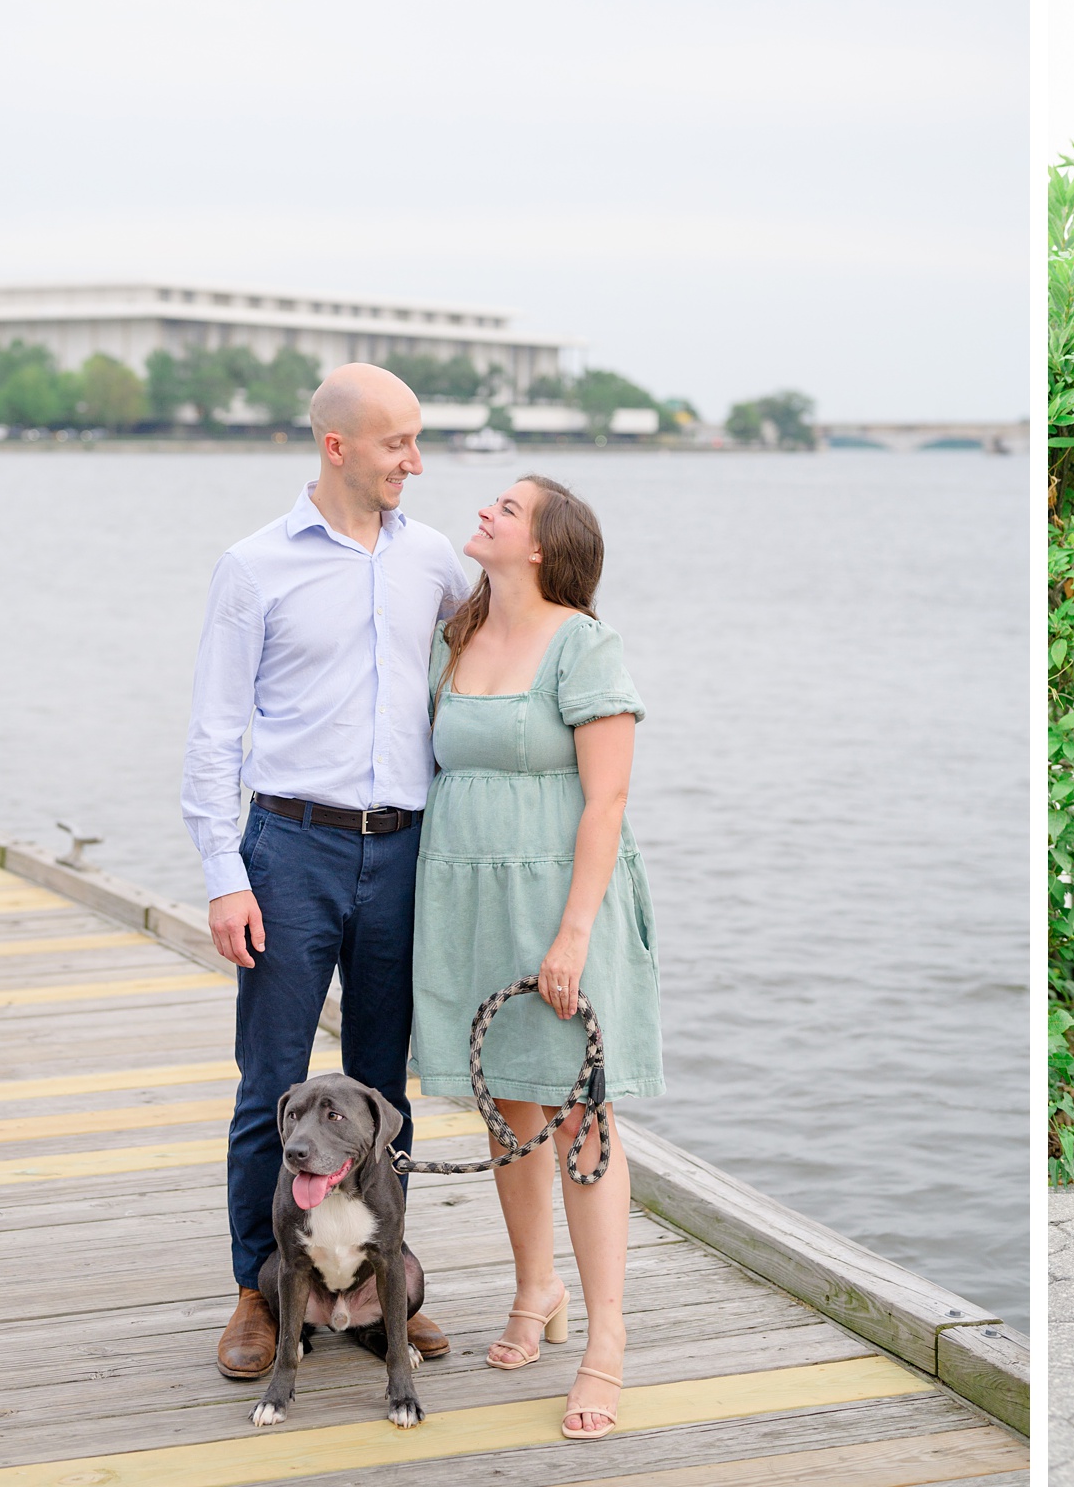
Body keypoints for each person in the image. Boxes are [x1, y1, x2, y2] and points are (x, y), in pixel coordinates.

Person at [183, 363, 466, 1380]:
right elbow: (216, 732)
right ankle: (261, 1292)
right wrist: (225, 870)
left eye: (418, 440)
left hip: (404, 850)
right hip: (289, 847)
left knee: (383, 1092)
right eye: (398, 443)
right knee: (273, 1088)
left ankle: (376, 1283)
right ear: (337, 445)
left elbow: (497, 658)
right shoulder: (254, 566)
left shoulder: (436, 560)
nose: (416, 462)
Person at [412, 475, 661, 1442]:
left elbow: (607, 800)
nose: (485, 513)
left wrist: (572, 935)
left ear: (545, 548)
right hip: (468, 898)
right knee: (506, 1104)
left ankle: (606, 1340)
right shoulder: (458, 632)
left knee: (577, 1117)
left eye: (507, 510)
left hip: (562, 898)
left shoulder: (584, 644)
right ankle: (534, 1289)